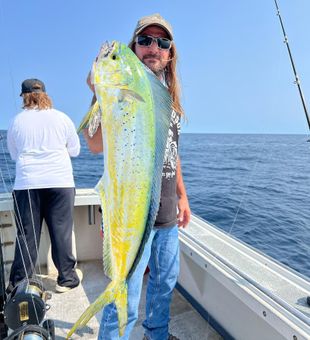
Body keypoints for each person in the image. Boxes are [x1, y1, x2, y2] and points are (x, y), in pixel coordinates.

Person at [84, 14, 191, 340]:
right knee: (124, 297)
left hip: (167, 216)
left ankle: (156, 335)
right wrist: (100, 93)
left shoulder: (168, 101)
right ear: (134, 48)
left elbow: (172, 151)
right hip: (130, 217)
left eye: (162, 42)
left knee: (164, 285)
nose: (153, 48)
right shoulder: (117, 94)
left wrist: (183, 195)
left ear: (170, 54)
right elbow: (94, 144)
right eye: (145, 40)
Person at [6, 78, 81, 294]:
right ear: (45, 94)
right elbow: (74, 151)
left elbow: (13, 154)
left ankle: (19, 283)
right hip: (61, 183)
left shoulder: (16, 122)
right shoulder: (63, 118)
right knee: (61, 232)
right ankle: (67, 279)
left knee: (27, 234)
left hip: (27, 184)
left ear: (24, 97)